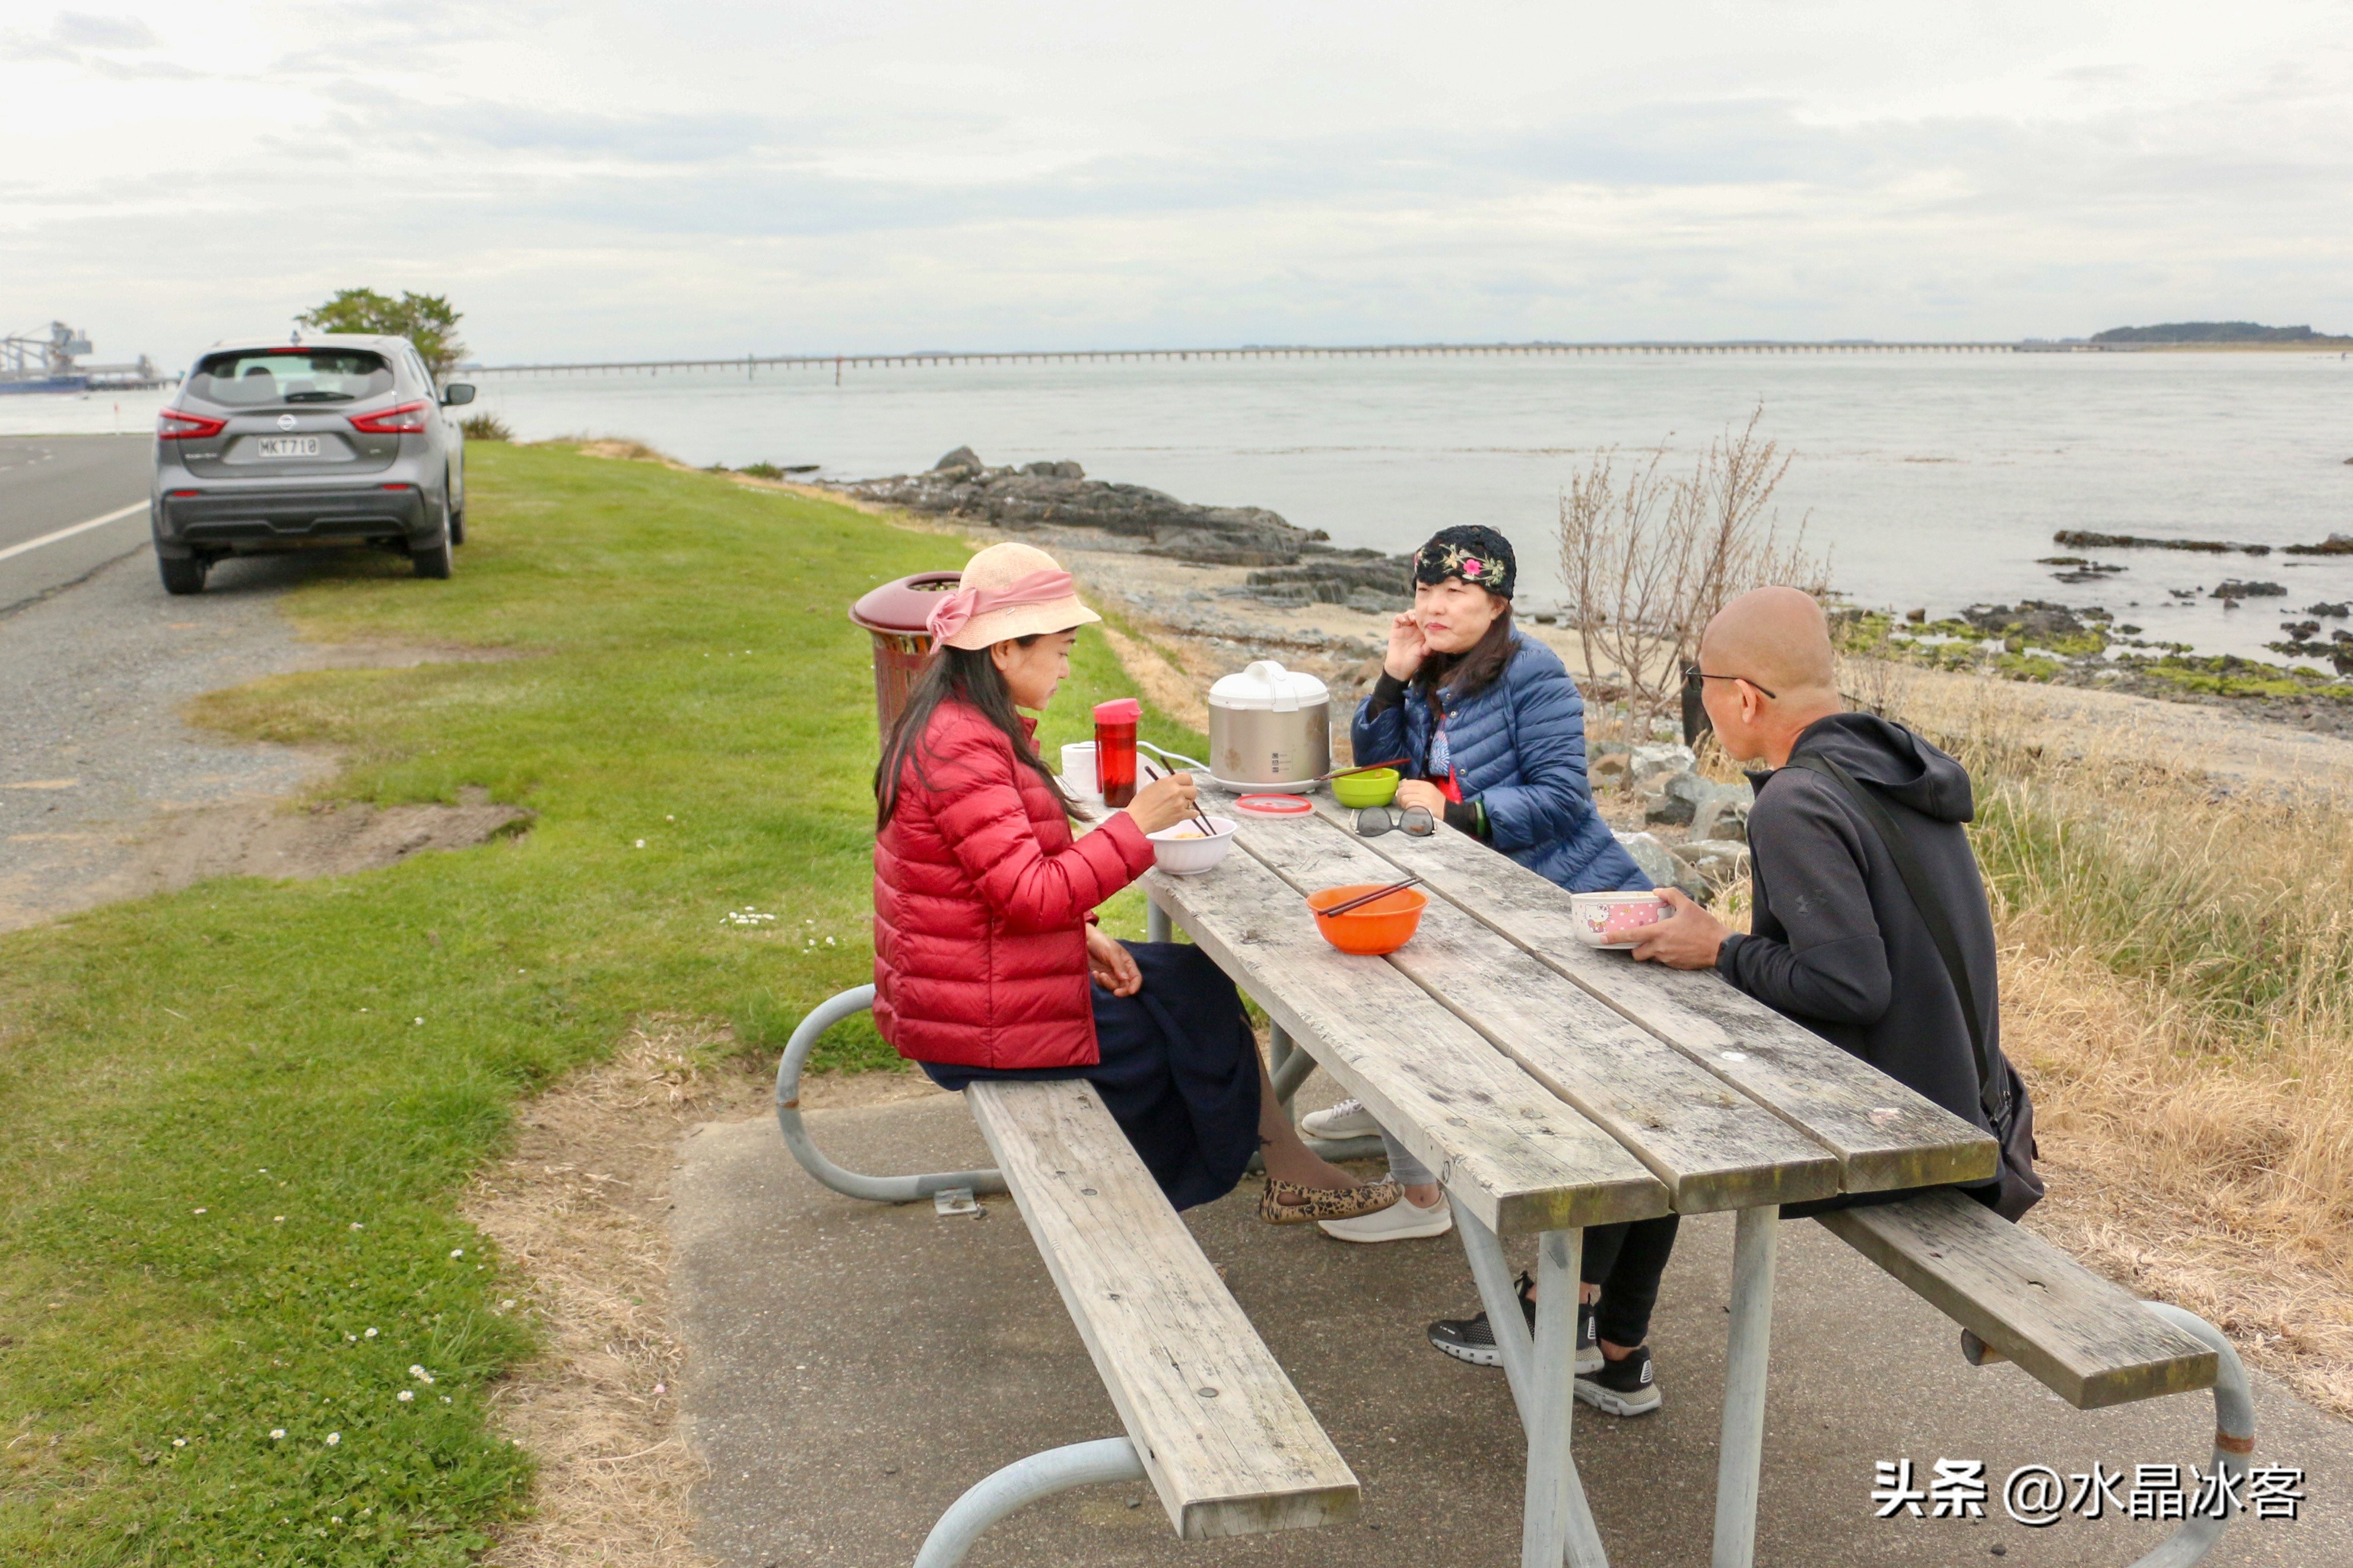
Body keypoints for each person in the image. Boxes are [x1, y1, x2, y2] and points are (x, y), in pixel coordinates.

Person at [872, 540, 1398, 1222]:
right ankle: (1158, 1205)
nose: (1065, 667)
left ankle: (1286, 1168)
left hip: (975, 988)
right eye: (1059, 649)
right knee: (1185, 1034)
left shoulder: (959, 725)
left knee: (1194, 980)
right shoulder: (964, 747)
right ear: (1004, 650)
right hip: (977, 1023)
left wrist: (1081, 937)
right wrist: (1136, 826)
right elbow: (1030, 894)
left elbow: (991, 889)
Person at [1304, 524, 1674, 1416]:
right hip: (1484, 910)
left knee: (1590, 1115)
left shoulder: (1533, 672)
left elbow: (1560, 797)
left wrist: (1457, 812)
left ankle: (1561, 1308)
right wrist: (1392, 674)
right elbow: (1381, 769)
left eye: (1455, 596)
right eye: (1424, 590)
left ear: (1498, 603)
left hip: (1565, 909)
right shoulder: (1432, 665)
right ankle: (1607, 1345)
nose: (1433, 607)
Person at [1627, 586, 2004, 1215]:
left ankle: (1584, 1307)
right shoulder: (1884, 759)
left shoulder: (1793, 804)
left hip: (1894, 1132)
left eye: (1701, 684)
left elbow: (1850, 987)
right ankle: (1600, 1312)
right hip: (1963, 1098)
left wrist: (1718, 947)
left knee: (1638, 1098)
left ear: (1743, 698)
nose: (1701, 700)